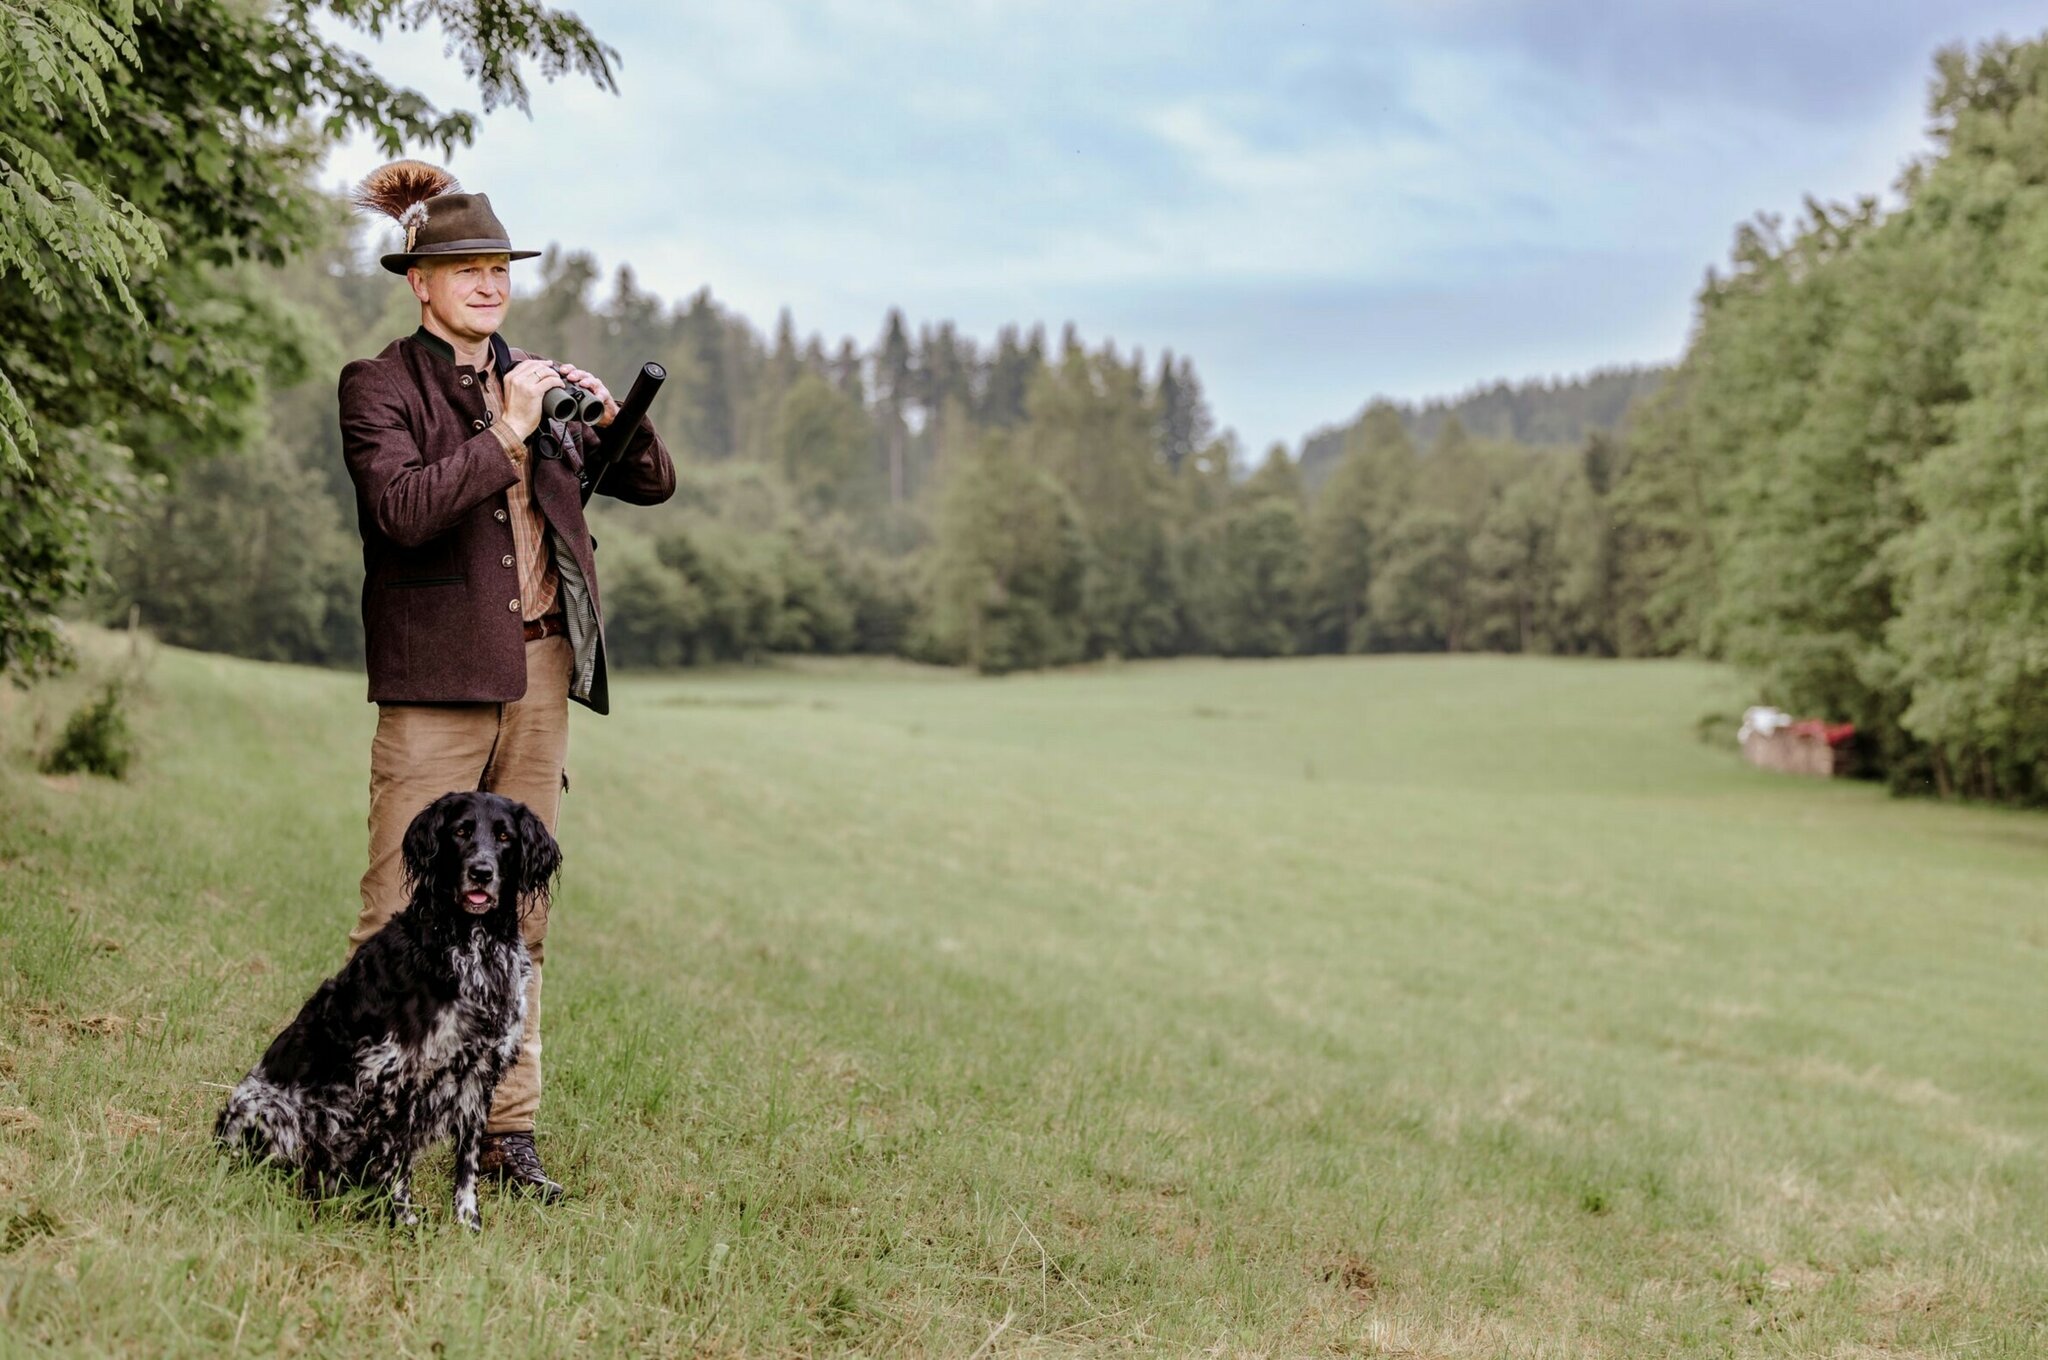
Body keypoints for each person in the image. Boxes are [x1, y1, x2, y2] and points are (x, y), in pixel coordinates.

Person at [336, 160, 675, 1200]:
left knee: (520, 911)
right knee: (398, 906)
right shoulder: (378, 386)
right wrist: (507, 430)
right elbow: (402, 511)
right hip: (436, 679)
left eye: (497, 267)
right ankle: (361, 1124)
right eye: (463, 268)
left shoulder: (532, 375)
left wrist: (617, 418)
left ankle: (505, 1135)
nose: (486, 283)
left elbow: (651, 484)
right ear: (419, 282)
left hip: (538, 670)